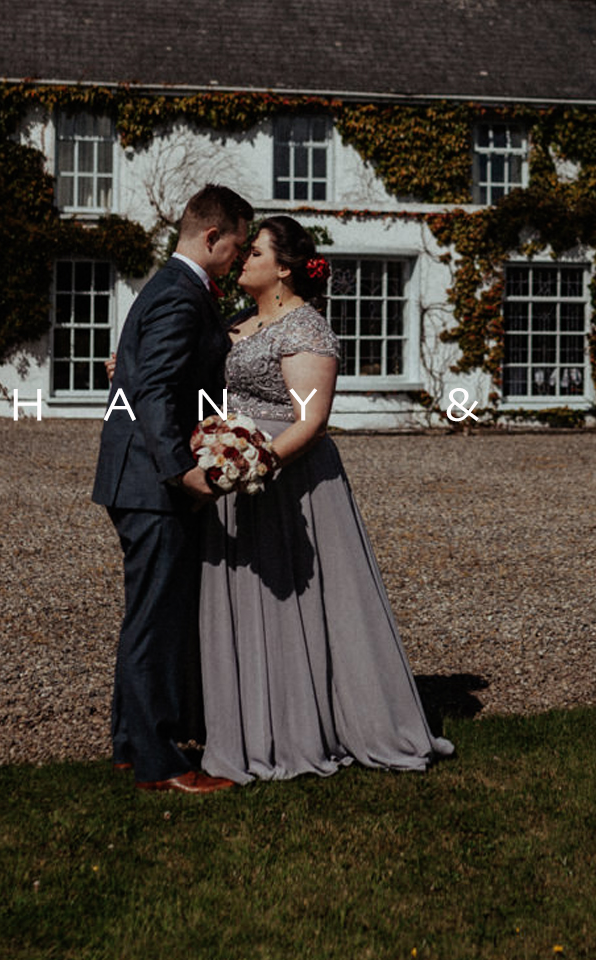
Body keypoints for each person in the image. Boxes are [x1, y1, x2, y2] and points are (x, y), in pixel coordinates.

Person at [198, 215, 454, 783]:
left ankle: (301, 725)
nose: (243, 259)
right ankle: (246, 722)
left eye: (255, 252)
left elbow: (311, 421)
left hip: (289, 482)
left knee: (297, 605)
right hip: (236, 477)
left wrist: (249, 466)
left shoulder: (306, 328)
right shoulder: (237, 321)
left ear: (283, 268)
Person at [91, 184, 252, 794]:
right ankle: (161, 763)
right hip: (150, 482)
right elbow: (153, 391)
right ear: (211, 237)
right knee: (155, 620)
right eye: (235, 247)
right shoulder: (181, 297)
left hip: (134, 476)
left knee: (149, 615)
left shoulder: (172, 288)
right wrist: (181, 471)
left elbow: (146, 373)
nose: (236, 260)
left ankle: (133, 745)